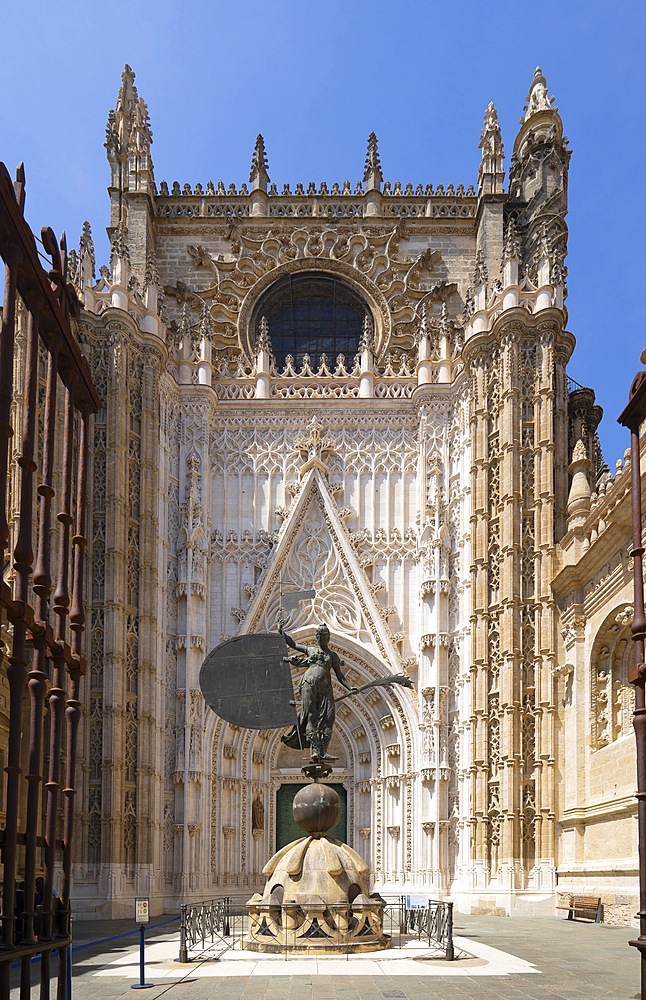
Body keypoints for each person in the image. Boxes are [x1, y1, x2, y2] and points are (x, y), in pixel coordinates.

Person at [277, 620, 357, 762]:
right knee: (311, 715)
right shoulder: (311, 650)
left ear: (328, 637)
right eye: (319, 635)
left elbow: (340, 675)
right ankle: (315, 750)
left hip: (325, 689)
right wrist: (282, 633)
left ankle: (323, 751)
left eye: (324, 635)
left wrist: (350, 688)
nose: (321, 637)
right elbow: (294, 644)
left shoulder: (333, 656)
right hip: (308, 684)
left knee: (329, 717)